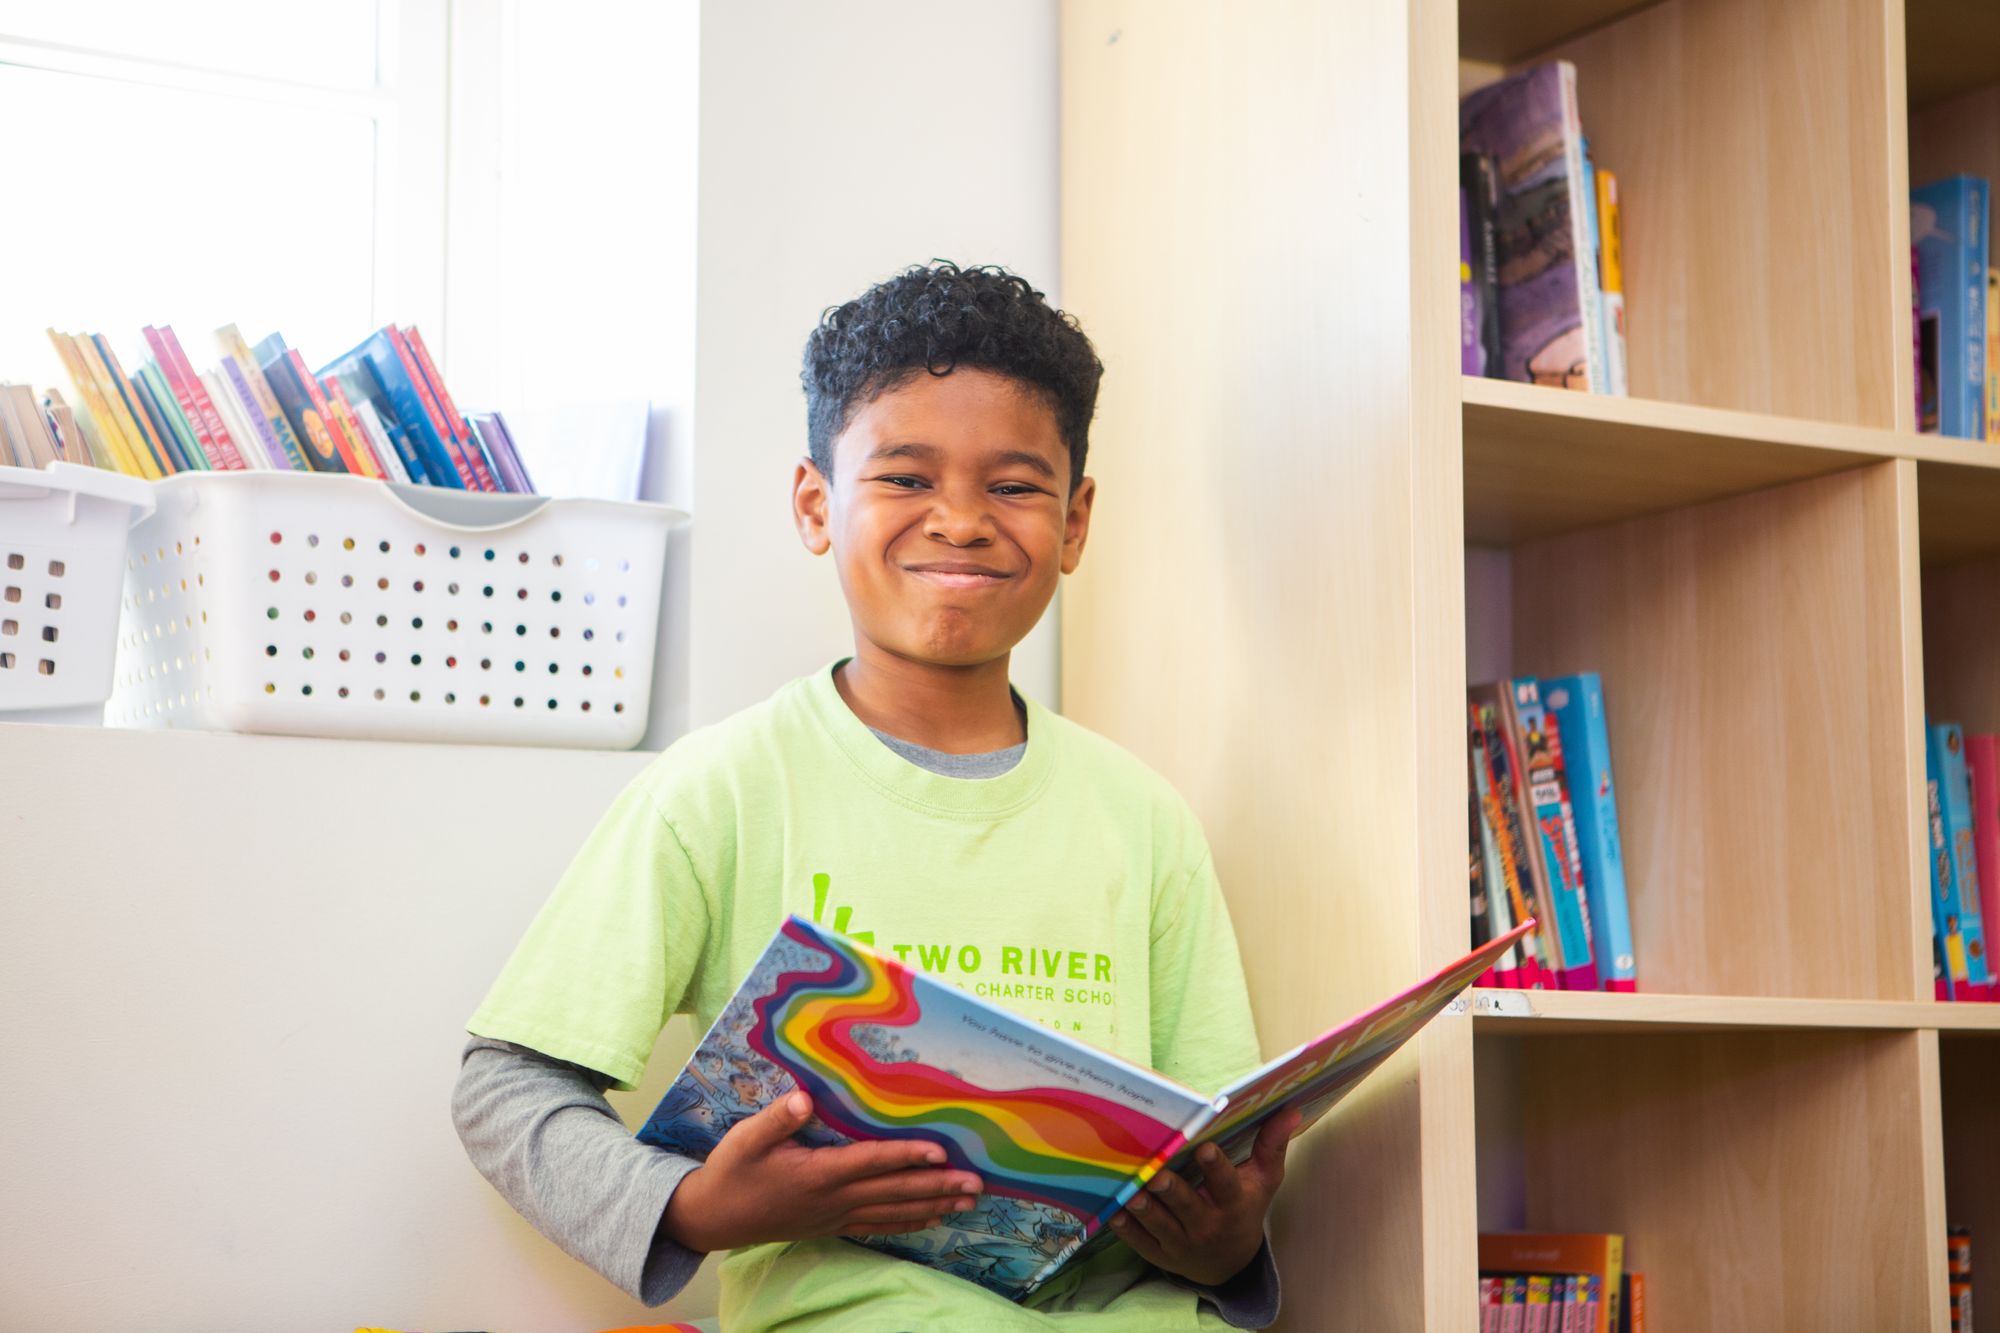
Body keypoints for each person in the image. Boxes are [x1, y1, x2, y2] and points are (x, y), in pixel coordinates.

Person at [452, 262, 1298, 1330]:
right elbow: (504, 1084)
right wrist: (693, 1206)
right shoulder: (720, 790)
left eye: (1014, 485)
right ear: (817, 504)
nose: (959, 520)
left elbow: (1220, 1142)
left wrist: (1228, 1248)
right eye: (905, 478)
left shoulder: (1142, 818)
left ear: (1074, 522)